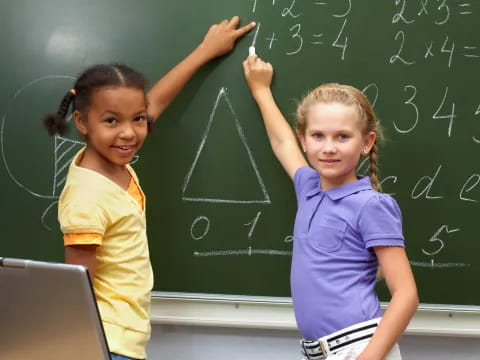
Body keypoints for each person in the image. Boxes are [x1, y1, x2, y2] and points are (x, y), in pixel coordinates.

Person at [42, 17, 255, 360]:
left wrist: (204, 51)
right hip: (105, 344)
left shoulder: (109, 160)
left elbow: (153, 102)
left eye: (138, 119)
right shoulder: (87, 196)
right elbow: (76, 288)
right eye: (111, 120)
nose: (129, 133)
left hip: (121, 337)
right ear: (81, 122)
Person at [242, 55, 418, 360]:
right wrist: (261, 90)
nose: (328, 147)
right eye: (318, 136)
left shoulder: (372, 205)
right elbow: (283, 142)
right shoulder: (308, 188)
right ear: (305, 139)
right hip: (318, 351)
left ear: (366, 142)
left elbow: (406, 295)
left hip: (359, 348)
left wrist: (369, 358)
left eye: (343, 137)